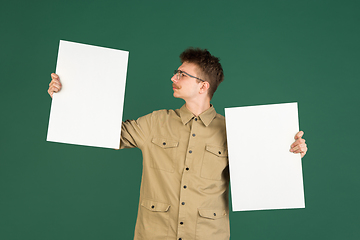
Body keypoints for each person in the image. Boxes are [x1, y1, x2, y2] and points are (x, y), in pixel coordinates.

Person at [48, 48, 307, 240]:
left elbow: (261, 177)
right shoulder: (155, 122)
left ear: (203, 86)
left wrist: (290, 153)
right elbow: (100, 132)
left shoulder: (234, 131)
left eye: (182, 74)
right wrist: (67, 95)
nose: (174, 78)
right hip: (154, 234)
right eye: (176, 72)